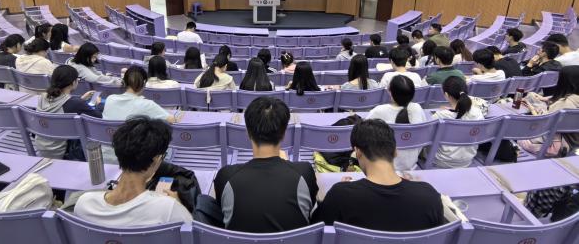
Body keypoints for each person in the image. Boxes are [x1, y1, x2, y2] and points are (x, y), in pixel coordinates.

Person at [311, 119, 443, 231]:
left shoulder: (340, 195)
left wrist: (341, 190)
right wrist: (417, 189)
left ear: (358, 152)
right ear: (395, 152)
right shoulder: (429, 197)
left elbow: (316, 231)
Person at [214, 97, 317, 232]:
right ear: (284, 133)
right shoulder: (305, 172)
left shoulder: (226, 176)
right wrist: (289, 165)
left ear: (248, 132)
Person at [74, 117, 192, 226]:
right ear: (156, 160)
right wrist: (178, 204)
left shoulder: (83, 204)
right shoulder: (169, 210)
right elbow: (191, 231)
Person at [36, 65, 102, 159]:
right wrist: (98, 104)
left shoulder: (43, 97)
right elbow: (98, 117)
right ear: (73, 82)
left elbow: (65, 106)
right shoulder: (74, 103)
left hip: (42, 147)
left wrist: (81, 99)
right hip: (62, 151)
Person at [366, 76, 427, 171]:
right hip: (411, 165)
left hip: (382, 166)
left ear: (390, 92)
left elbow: (363, 135)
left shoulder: (378, 111)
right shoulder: (418, 109)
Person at [518, 66, 579, 155]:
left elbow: (542, 124)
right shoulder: (572, 100)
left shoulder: (564, 104)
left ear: (564, 82)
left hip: (552, 145)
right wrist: (545, 99)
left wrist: (533, 110)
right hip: (573, 144)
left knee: (514, 129)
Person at [431, 76, 484, 168]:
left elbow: (427, 137)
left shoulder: (441, 116)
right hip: (467, 160)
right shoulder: (478, 112)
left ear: (446, 95)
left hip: (441, 160)